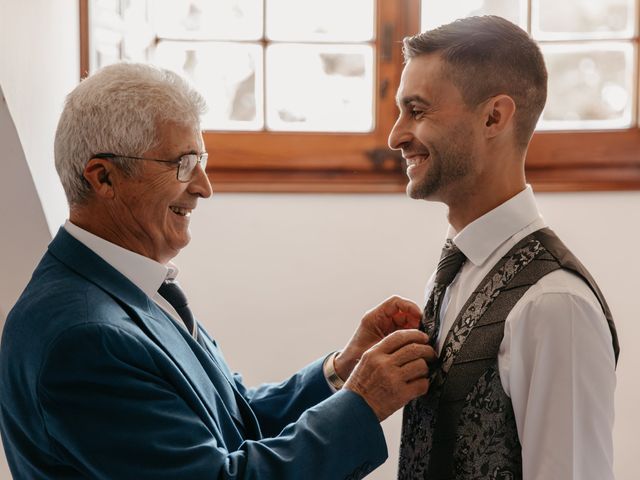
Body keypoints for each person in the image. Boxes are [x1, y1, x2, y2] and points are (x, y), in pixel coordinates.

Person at [0, 62, 437, 479]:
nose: (204, 188)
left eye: (202, 161)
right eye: (183, 165)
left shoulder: (127, 285)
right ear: (104, 178)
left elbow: (233, 419)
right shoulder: (85, 338)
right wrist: (362, 403)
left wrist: (341, 371)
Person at [389, 15, 620, 480]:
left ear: (494, 116)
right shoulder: (455, 272)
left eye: (417, 110)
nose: (395, 135)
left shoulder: (556, 305)